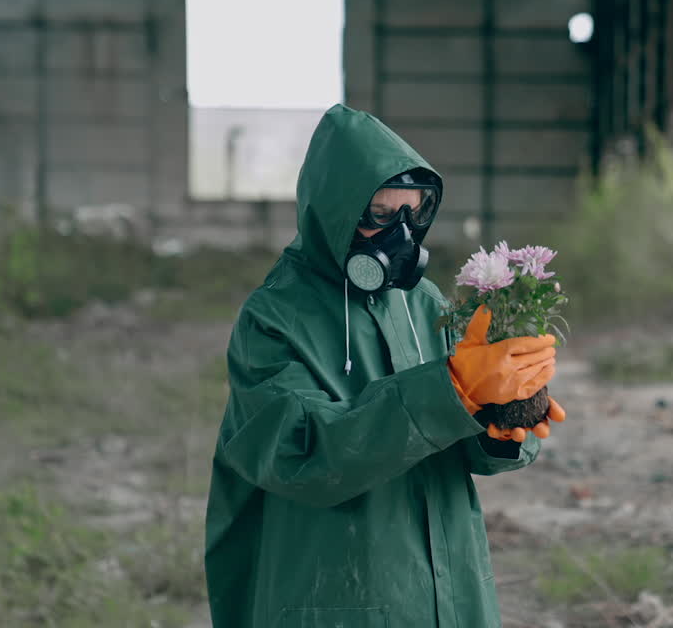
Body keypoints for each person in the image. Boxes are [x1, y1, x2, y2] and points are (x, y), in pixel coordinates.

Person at [204, 104, 566, 627]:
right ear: (333, 211)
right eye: (378, 214)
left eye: (410, 214)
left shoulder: (424, 302)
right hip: (337, 590)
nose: (400, 235)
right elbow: (301, 454)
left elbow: (454, 441)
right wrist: (452, 389)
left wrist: (502, 421)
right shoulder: (274, 317)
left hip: (446, 589)